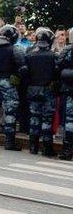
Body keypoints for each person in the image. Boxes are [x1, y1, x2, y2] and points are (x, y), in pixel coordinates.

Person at [0, 24, 25, 150]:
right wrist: (17, 76)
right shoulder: (14, 49)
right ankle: (9, 142)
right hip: (8, 82)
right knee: (10, 110)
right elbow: (23, 68)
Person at [24, 28, 59, 156]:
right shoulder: (54, 55)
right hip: (48, 90)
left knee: (34, 118)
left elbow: (24, 73)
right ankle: (47, 148)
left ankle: (33, 147)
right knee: (47, 120)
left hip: (33, 89)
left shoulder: (29, 55)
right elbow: (57, 73)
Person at [58, 28, 73, 160]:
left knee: (69, 120)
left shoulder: (67, 50)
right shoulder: (68, 50)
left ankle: (67, 150)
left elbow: (59, 64)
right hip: (69, 89)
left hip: (69, 89)